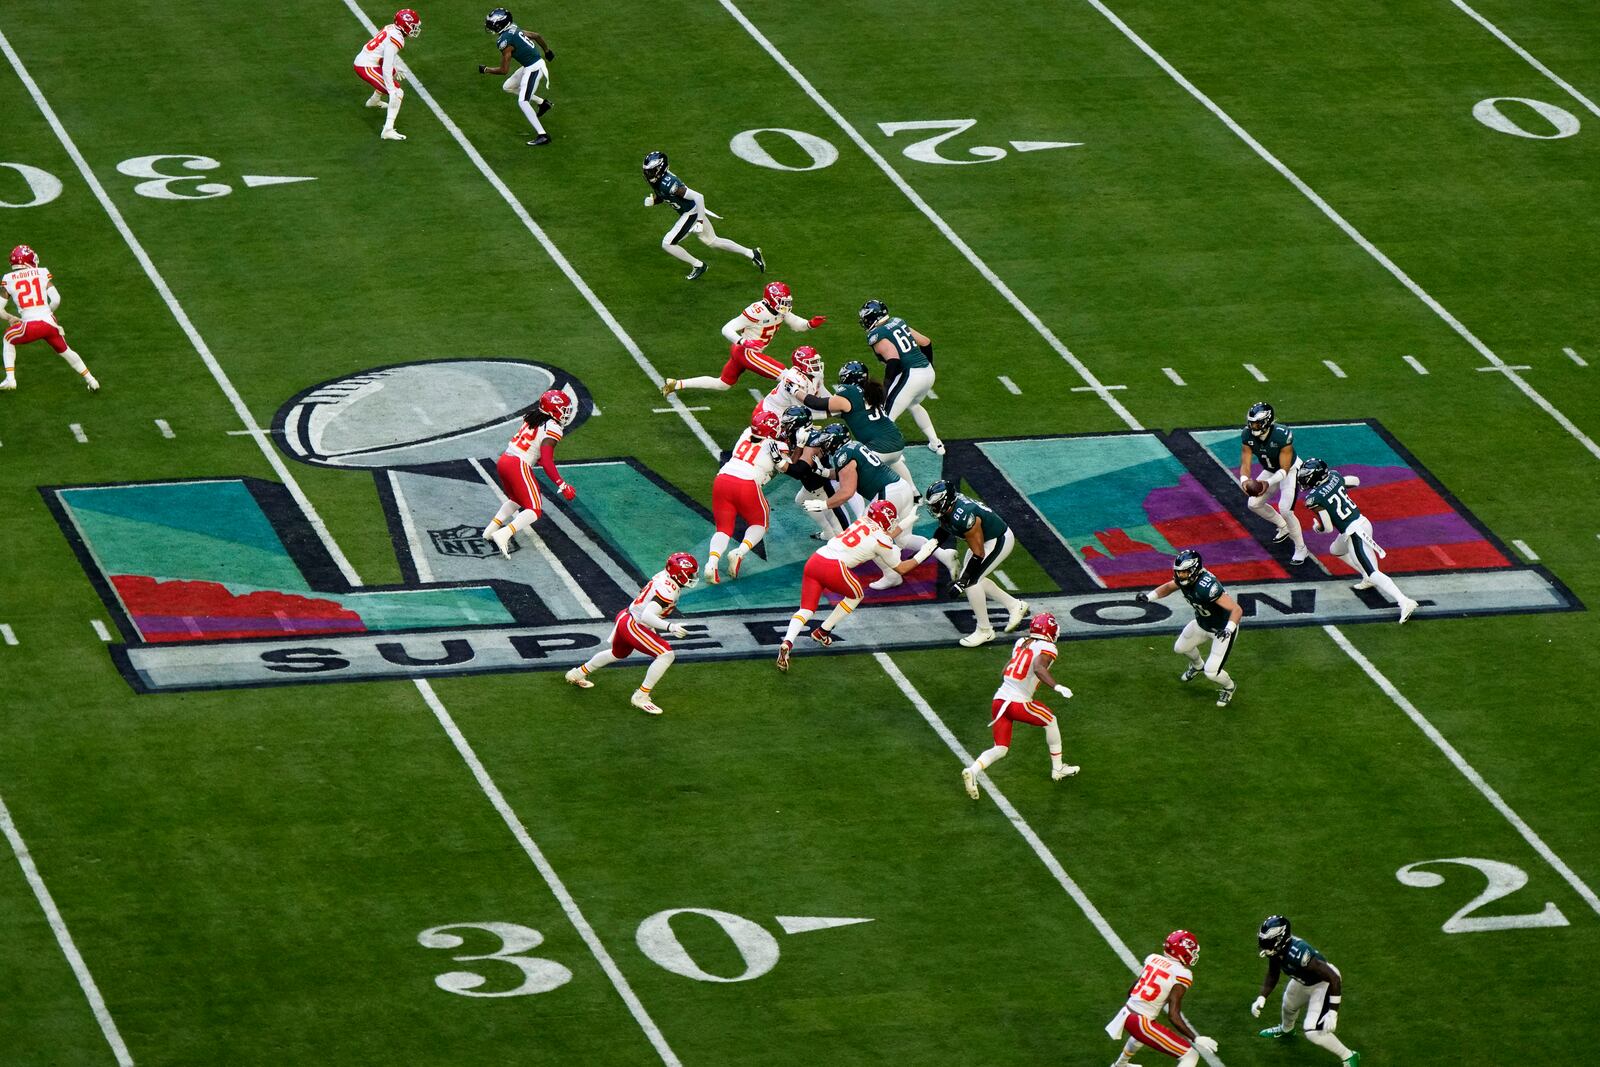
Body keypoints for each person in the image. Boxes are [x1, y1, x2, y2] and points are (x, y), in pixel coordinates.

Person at [775, 500, 932, 671]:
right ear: (886, 519)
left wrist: (905, 523)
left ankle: (787, 643)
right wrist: (924, 553)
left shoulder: (863, 520)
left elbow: (879, 538)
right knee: (856, 595)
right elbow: (901, 568)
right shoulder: (881, 540)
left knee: (806, 610)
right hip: (834, 567)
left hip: (816, 560)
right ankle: (823, 631)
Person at [960, 612, 1077, 799]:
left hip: (999, 700)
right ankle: (1058, 769)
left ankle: (973, 770)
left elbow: (1006, 669)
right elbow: (1039, 668)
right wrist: (1057, 686)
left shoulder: (1021, 642)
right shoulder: (1048, 647)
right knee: (1051, 720)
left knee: (1001, 748)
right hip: (1018, 702)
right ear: (1049, 630)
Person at [564, 552, 698, 715]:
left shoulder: (665, 576)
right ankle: (641, 696)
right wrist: (671, 627)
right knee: (666, 654)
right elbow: (647, 615)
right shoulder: (668, 589)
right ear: (678, 573)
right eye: (690, 574)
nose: (692, 577)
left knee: (617, 654)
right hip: (635, 623)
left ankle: (577, 674)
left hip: (627, 617)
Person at [805, 426, 936, 589]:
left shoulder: (843, 455)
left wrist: (824, 504)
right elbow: (846, 473)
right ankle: (941, 553)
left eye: (826, 442)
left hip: (887, 493)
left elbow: (847, 491)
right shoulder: (853, 446)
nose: (824, 446)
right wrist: (824, 472)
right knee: (904, 538)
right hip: (900, 487)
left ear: (834, 442)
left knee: (869, 534)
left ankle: (892, 575)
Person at [1298, 458, 1418, 623]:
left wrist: (1316, 528)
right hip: (1361, 522)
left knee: (1373, 571)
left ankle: (1404, 601)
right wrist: (1338, 488)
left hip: (1354, 532)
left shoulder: (1314, 498)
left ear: (1315, 476)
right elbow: (1355, 480)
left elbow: (1327, 528)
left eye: (1307, 476)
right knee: (1336, 550)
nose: (1303, 479)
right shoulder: (1334, 476)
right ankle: (1367, 577)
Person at [662, 282, 825, 396]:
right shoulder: (757, 311)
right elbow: (726, 328)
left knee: (723, 384)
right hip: (746, 352)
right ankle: (798, 418)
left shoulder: (780, 311)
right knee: (790, 378)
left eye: (786, 302)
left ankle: (676, 384)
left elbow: (796, 323)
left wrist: (809, 324)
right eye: (782, 302)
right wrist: (742, 341)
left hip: (744, 352)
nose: (786, 306)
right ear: (771, 300)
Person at [925, 480, 1028, 646]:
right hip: (984, 542)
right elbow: (945, 527)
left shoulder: (964, 515)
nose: (934, 508)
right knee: (975, 580)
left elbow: (978, 553)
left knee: (971, 583)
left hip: (997, 541)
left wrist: (962, 582)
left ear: (946, 501)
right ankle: (1015, 605)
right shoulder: (950, 508)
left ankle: (985, 631)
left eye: (937, 504)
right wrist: (930, 545)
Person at [1136, 549, 1241, 707]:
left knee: (1212, 672)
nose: (1181, 576)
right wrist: (1150, 597)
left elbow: (1237, 609)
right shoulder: (1185, 579)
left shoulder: (1207, 586)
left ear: (1195, 570)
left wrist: (1229, 629)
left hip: (1221, 630)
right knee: (1180, 648)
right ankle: (1197, 665)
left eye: (1184, 572)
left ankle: (1229, 687)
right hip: (1202, 623)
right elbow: (1169, 587)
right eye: (1179, 572)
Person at [1253, 916, 1360, 1066]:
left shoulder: (1299, 953)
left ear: (1280, 939)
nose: (1264, 945)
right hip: (1303, 980)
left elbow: (1333, 977)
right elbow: (1273, 973)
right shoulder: (1277, 950)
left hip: (1323, 983)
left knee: (1312, 1031)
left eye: (1268, 941)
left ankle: (1349, 1055)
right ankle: (1287, 1030)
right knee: (1288, 1004)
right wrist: (1262, 997)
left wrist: (1333, 1012)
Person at [641, 151, 764, 281]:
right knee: (713, 241)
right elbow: (664, 195)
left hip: (692, 213)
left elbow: (698, 197)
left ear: (660, 169)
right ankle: (752, 253)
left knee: (667, 243)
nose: (648, 174)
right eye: (647, 171)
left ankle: (698, 265)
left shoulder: (669, 183)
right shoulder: (659, 181)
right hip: (691, 212)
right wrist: (655, 200)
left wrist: (700, 220)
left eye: (651, 171)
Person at [484, 389, 578, 557]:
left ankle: (491, 529)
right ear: (554, 410)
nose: (566, 413)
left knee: (517, 500)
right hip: (518, 464)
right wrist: (562, 485)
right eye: (564, 409)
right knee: (535, 510)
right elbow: (547, 462)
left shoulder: (533, 415)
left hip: (505, 459)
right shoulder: (553, 427)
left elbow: (537, 450)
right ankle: (504, 533)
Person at [1106, 931, 1219, 1067]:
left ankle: (1120, 1065)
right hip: (1141, 1022)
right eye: (1192, 951)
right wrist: (1195, 1037)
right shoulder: (1183, 974)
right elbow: (1173, 1015)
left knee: (1140, 1038)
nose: (1194, 955)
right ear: (1183, 952)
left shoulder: (1152, 959)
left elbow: (1131, 991)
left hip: (1126, 1013)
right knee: (1190, 1055)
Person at [1, 245, 98, 392]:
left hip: (30, 325)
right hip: (49, 323)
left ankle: (10, 379)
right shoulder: (41, 272)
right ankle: (91, 380)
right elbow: (56, 299)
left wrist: (10, 317)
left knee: (8, 338)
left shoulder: (8, 279)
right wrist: (46, 313)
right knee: (65, 350)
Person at [802, 360, 911, 484]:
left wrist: (795, 391)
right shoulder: (869, 391)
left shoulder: (850, 392)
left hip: (880, 448)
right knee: (893, 461)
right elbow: (828, 409)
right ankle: (915, 493)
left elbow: (817, 404)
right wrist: (820, 385)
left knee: (847, 472)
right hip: (897, 444)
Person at [707, 409, 782, 584]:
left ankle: (712, 563)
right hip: (746, 483)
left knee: (723, 528)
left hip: (723, 478)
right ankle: (739, 552)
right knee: (760, 523)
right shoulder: (777, 446)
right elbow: (789, 464)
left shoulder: (746, 432)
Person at [859, 298, 942, 455]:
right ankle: (936, 444)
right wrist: (929, 365)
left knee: (884, 417)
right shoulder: (898, 322)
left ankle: (894, 456)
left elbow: (894, 360)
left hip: (911, 375)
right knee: (913, 405)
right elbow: (926, 342)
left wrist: (886, 386)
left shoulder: (877, 334)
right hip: (927, 372)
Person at [1238, 402, 1309, 564]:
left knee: (1285, 509)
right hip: (1270, 470)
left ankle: (1301, 548)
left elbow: (1284, 469)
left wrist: (1266, 484)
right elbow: (1245, 464)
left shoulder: (1281, 435)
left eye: (1256, 423)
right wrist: (1244, 481)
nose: (1252, 426)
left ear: (1266, 422)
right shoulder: (1247, 435)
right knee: (1253, 503)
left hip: (1290, 470)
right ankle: (1282, 526)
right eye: (1251, 422)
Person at [477, 8, 554, 147]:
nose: (489, 27)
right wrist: (547, 51)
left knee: (523, 102)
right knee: (508, 87)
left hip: (534, 68)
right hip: (529, 65)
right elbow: (536, 35)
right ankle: (543, 103)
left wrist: (486, 70)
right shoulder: (513, 28)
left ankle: (543, 135)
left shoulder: (504, 41)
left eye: (492, 25)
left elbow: (503, 70)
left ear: (500, 25)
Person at [355, 9, 421, 142]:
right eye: (413, 26)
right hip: (366, 65)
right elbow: (386, 66)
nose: (415, 29)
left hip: (368, 60)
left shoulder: (392, 28)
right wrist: (391, 89)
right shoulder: (396, 38)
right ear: (405, 26)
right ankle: (388, 130)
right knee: (398, 92)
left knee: (392, 73)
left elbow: (387, 54)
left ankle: (373, 101)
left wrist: (395, 68)